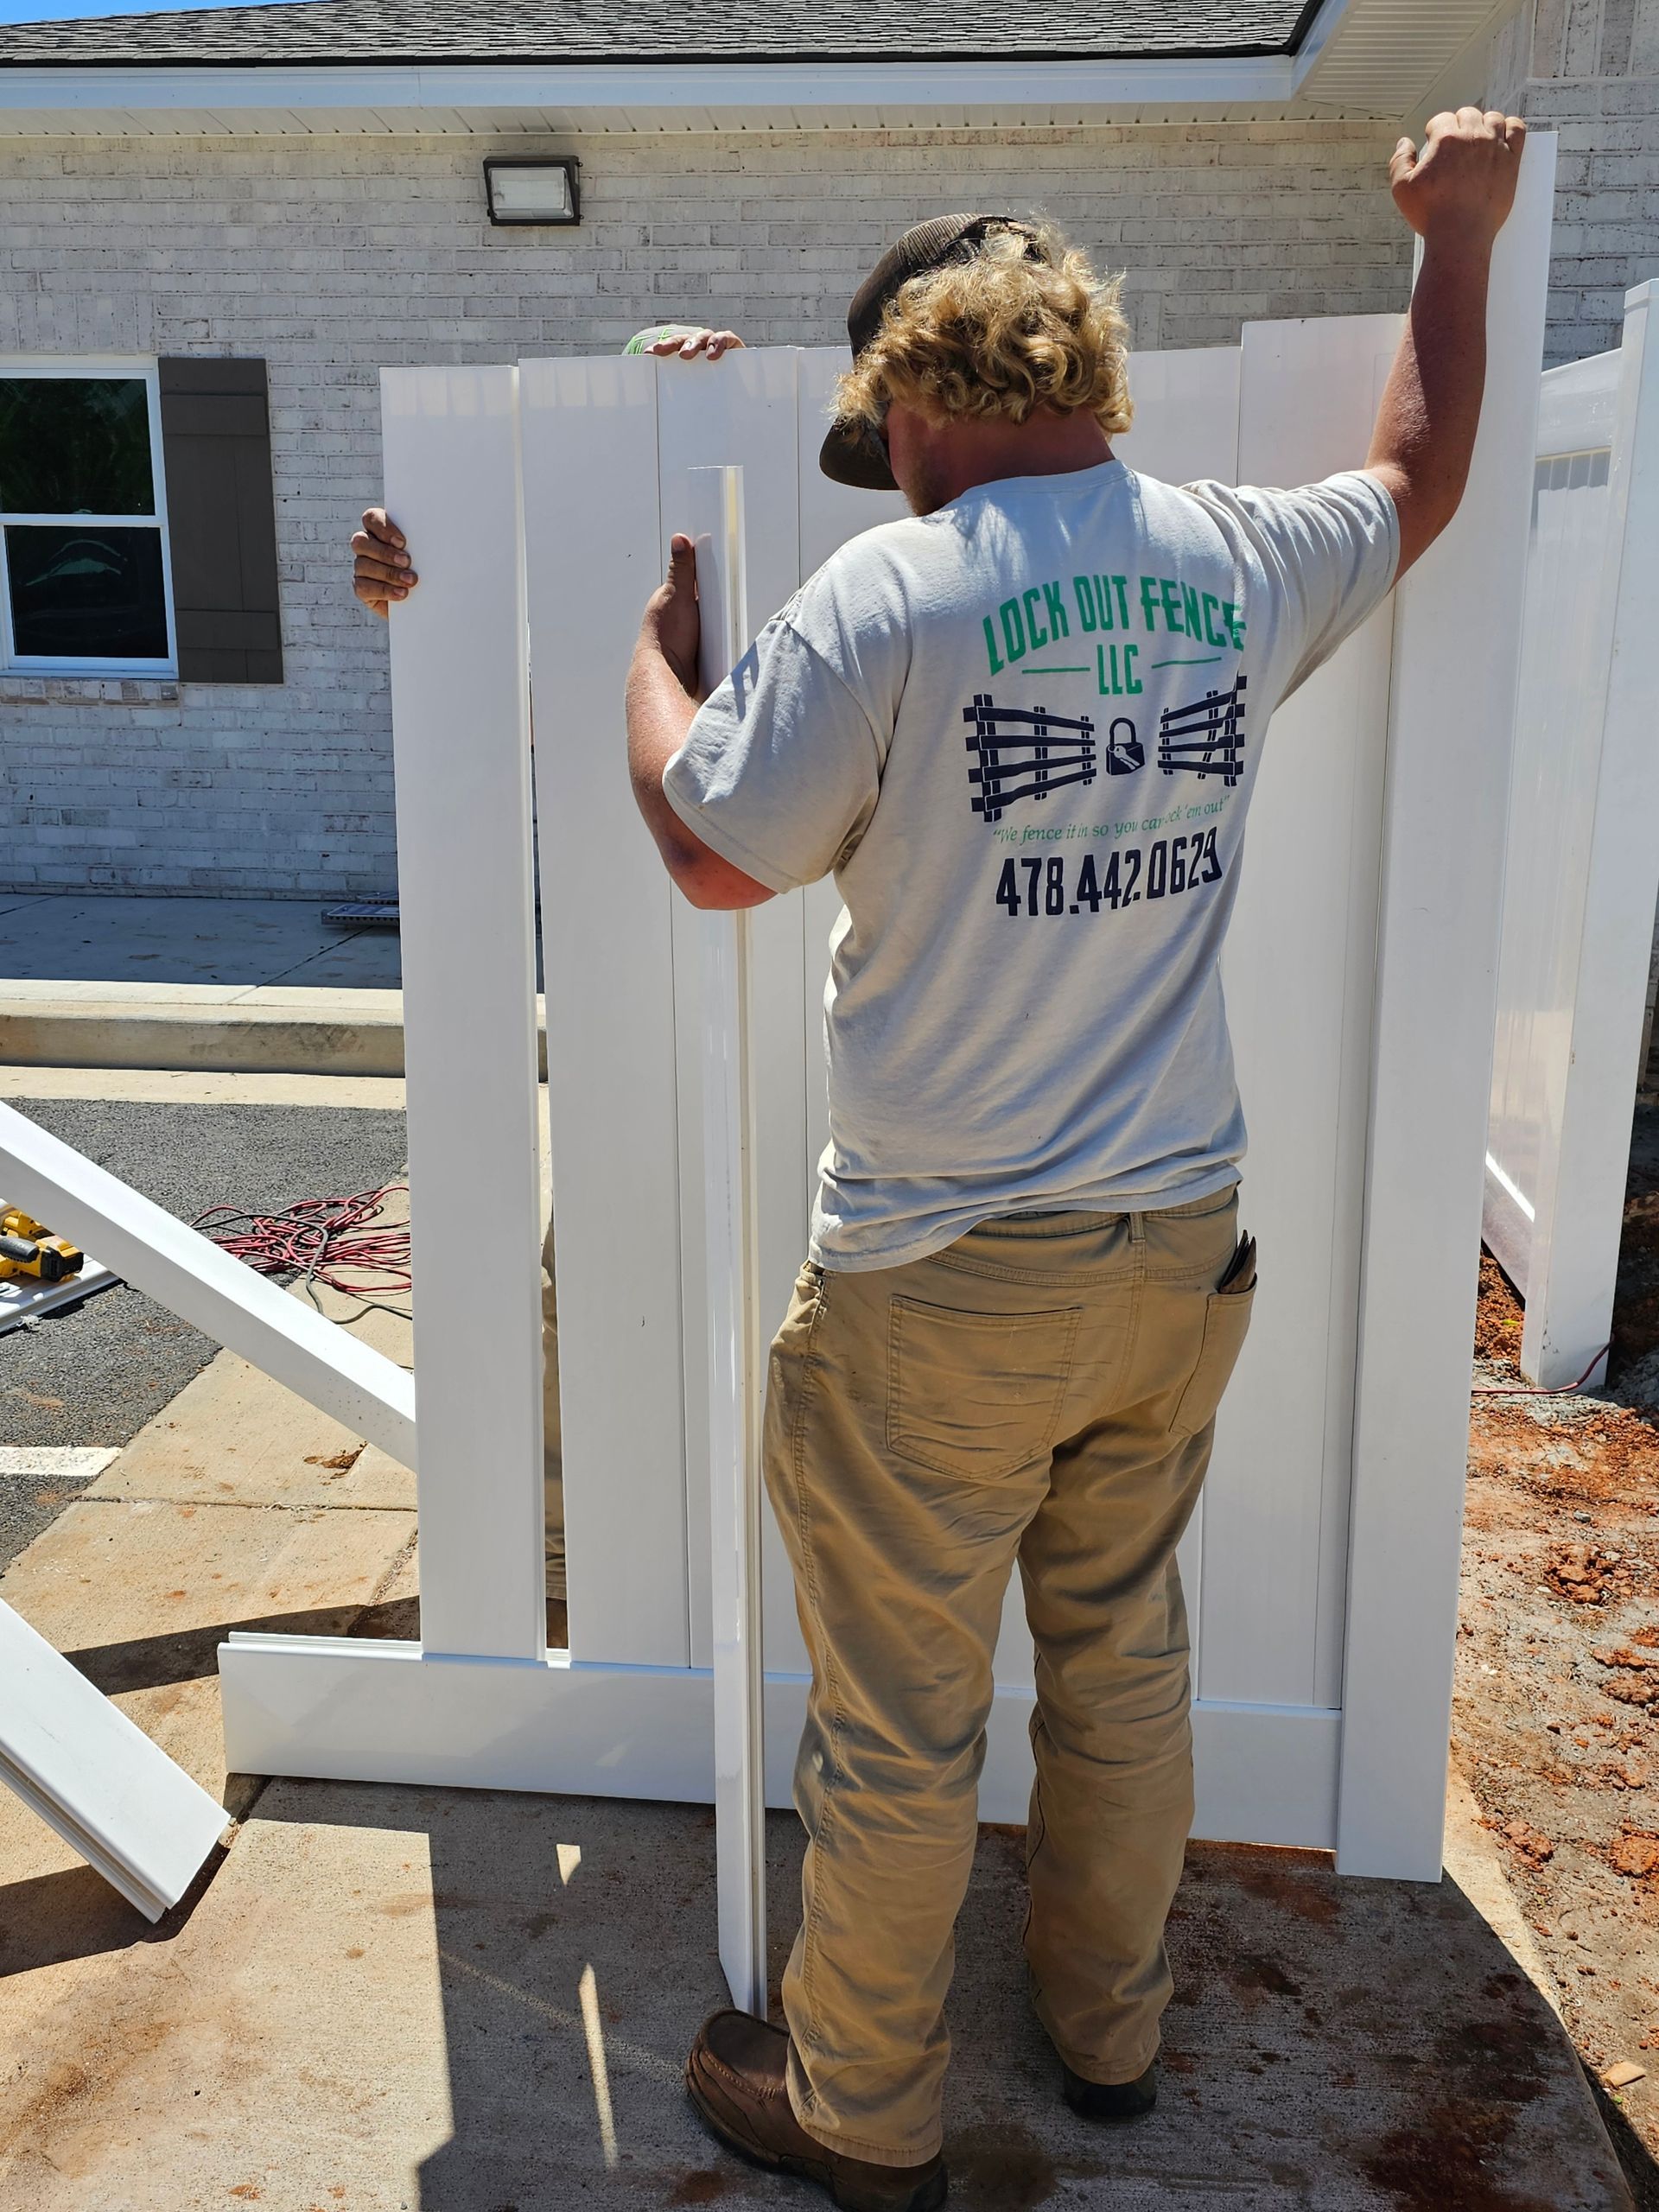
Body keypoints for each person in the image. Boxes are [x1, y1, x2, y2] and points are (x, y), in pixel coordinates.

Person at [620, 111, 1525, 2212]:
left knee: (898, 1718)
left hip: (943, 1276)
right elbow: (1421, 473)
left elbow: (702, 847)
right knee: (1121, 1657)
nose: (891, 470)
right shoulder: (1228, 557)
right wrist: (1454, 243)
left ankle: (858, 2106)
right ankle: (1109, 2036)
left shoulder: (894, 596)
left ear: (932, 387)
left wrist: (654, 673)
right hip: (1171, 1251)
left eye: (889, 429)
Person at [350, 325, 745, 1613]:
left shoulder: (794, 530)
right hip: (615, 953)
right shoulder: (567, 586)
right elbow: (465, 665)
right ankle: (574, 1557)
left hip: (772, 940)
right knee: (586, 1269)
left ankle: (740, 1551)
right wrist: (410, 588)